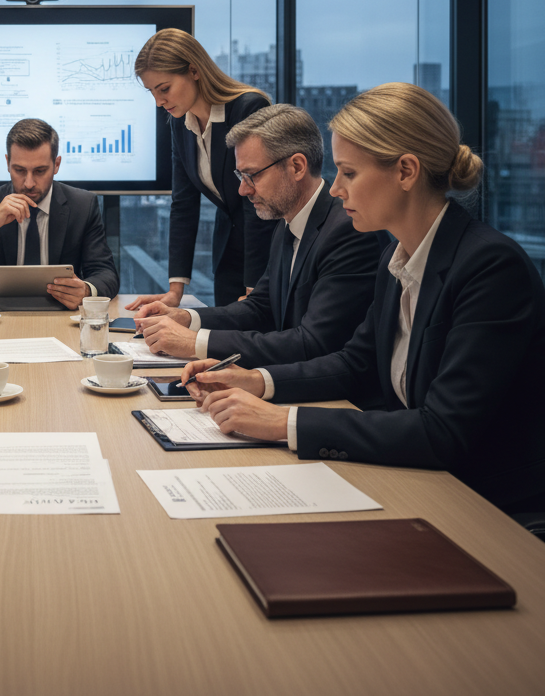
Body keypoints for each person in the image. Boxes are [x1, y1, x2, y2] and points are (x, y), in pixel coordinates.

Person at [182, 83, 545, 513]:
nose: (335, 190)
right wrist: (255, 381)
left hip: (484, 507)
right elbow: (355, 363)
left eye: (349, 173)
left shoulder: (490, 267)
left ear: (406, 172)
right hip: (417, 482)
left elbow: (443, 431)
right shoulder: (397, 254)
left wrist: (284, 421)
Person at [135, 104, 383, 366]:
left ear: (297, 166)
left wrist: (196, 343)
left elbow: (313, 343)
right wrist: (185, 318)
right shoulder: (288, 222)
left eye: (251, 175)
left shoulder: (348, 232)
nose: (243, 190)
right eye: (240, 176)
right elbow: (260, 307)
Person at [128, 28, 277, 310]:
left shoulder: (249, 108)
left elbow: (258, 203)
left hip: (265, 254)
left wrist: (255, 286)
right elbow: (183, 204)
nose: (159, 102)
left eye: (164, 89)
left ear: (194, 71)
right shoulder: (179, 124)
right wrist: (175, 291)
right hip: (228, 256)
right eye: (152, 92)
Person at [0, 118, 118, 308]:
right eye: (19, 170)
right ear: (7, 163)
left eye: (40, 171)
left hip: (61, 318)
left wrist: (86, 290)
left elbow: (106, 274)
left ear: (56, 165)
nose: (28, 183)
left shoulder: (83, 206)